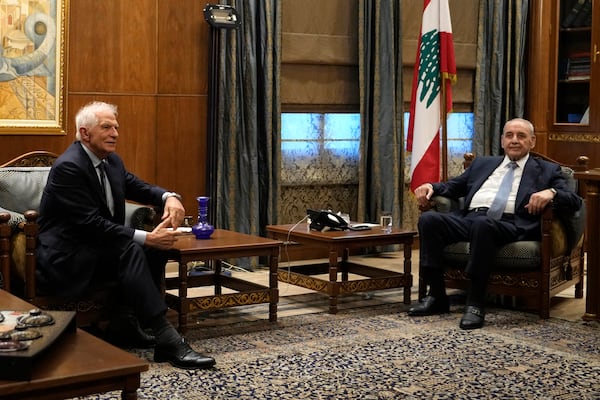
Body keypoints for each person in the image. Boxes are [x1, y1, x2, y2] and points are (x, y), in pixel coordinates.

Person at [36, 101, 215, 369]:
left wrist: (170, 197)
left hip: (99, 249)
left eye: (116, 127)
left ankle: (126, 323)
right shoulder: (69, 168)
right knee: (132, 247)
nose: (115, 133)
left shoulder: (111, 161)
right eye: (106, 127)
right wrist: (145, 237)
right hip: (67, 258)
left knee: (155, 247)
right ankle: (166, 337)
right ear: (85, 133)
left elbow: (138, 186)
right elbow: (91, 224)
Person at [409, 118, 582, 329]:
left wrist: (552, 192)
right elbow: (452, 187)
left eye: (521, 136)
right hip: (470, 219)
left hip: (510, 224)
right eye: (509, 136)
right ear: (502, 140)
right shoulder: (483, 164)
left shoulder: (548, 170)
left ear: (532, 141)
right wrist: (431, 186)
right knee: (429, 220)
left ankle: (474, 303)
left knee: (484, 224)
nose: (514, 140)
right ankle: (436, 296)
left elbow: (575, 201)